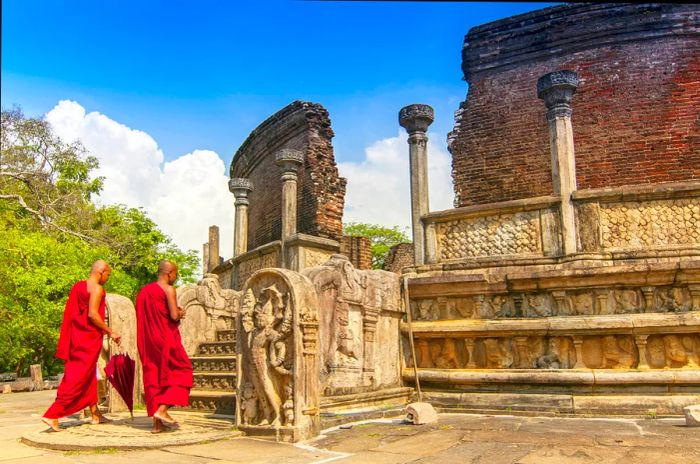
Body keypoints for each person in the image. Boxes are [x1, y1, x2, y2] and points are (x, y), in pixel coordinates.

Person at [42, 260, 121, 432]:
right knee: (76, 377)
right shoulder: (98, 289)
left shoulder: (78, 286)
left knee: (87, 376)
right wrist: (110, 331)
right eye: (108, 274)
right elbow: (93, 314)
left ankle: (95, 414)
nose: (108, 278)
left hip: (76, 337)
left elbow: (75, 314)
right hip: (87, 340)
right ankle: (52, 414)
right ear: (101, 272)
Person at [135, 260, 192, 433]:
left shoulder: (144, 291)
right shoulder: (168, 289)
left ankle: (157, 425)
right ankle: (162, 409)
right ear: (169, 273)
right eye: (176, 274)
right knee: (184, 371)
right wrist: (180, 312)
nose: (176, 277)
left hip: (149, 342)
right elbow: (174, 316)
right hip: (166, 339)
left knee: (155, 377)